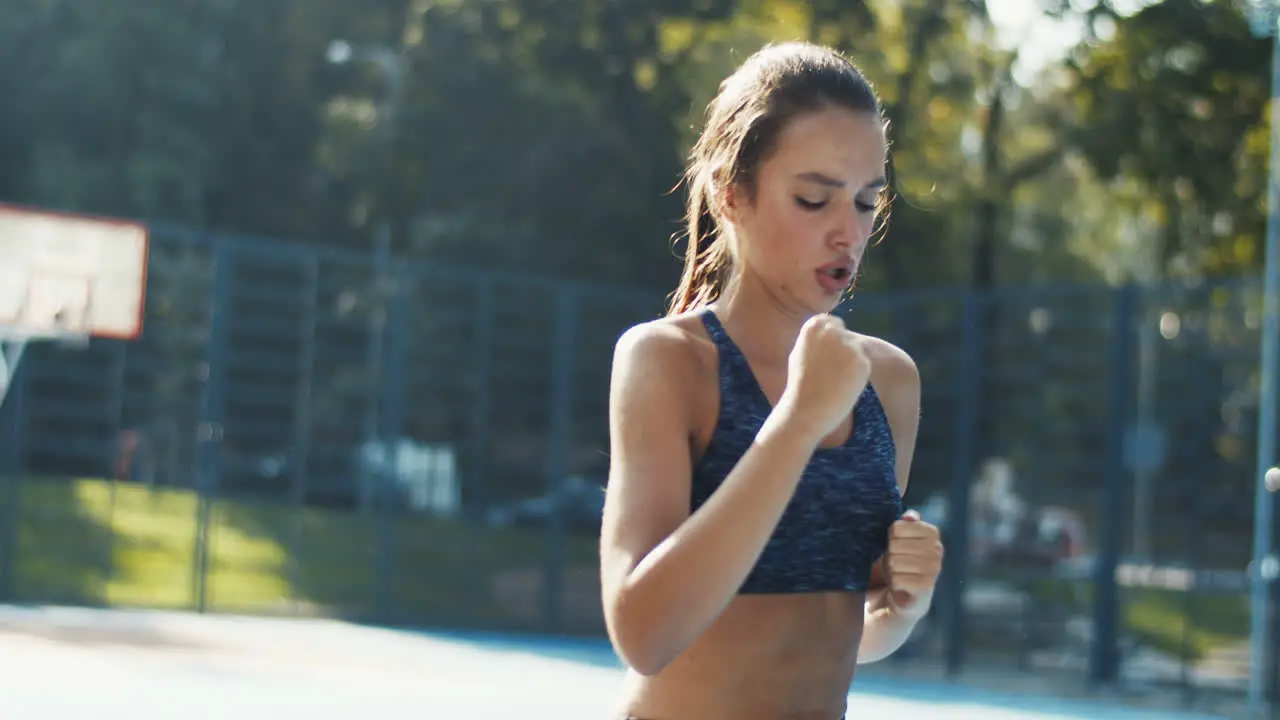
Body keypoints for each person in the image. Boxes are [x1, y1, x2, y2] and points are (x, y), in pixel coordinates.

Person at [599, 41, 945, 720]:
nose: (849, 232)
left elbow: (843, 630)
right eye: (814, 199)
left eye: (868, 202)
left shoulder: (888, 382)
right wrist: (796, 421)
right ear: (733, 193)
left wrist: (905, 606)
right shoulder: (670, 363)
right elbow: (644, 633)